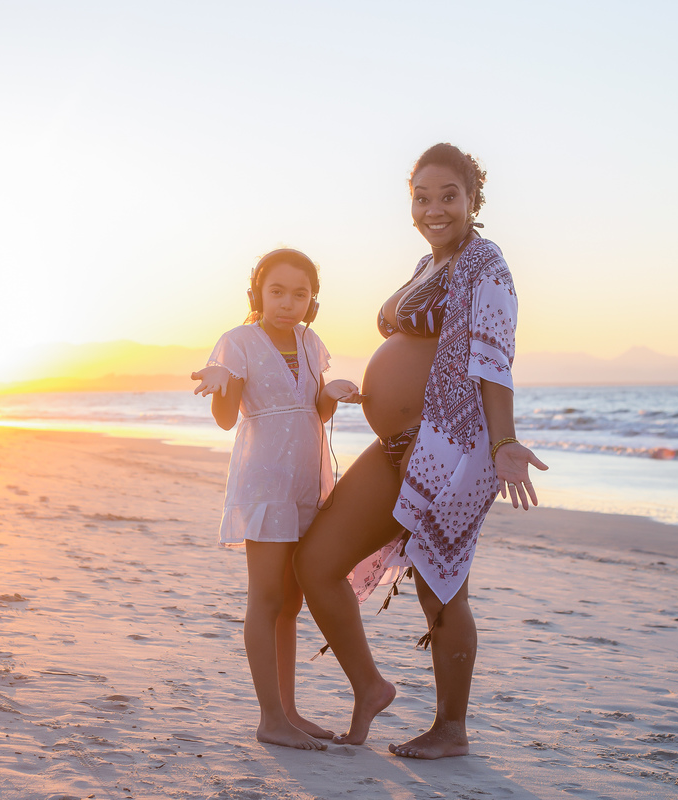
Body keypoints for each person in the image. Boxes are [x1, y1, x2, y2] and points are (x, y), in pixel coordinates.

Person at [294, 144, 547, 759]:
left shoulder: (486, 264)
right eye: (422, 197)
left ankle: (451, 729)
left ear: (472, 199)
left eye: (448, 196)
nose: (434, 208)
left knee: (441, 584)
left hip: (452, 447)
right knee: (316, 562)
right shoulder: (426, 265)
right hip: (394, 445)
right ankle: (371, 686)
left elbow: (492, 359)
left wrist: (505, 441)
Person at [191, 249, 362, 751]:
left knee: (291, 602)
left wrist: (332, 391)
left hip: (305, 485)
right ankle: (270, 718)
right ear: (257, 294)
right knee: (265, 599)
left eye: (300, 294)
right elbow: (227, 418)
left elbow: (313, 414)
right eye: (277, 291)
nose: (288, 303)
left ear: (313, 302)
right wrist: (222, 383)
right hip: (263, 484)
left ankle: (289, 711)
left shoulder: (311, 343)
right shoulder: (237, 342)